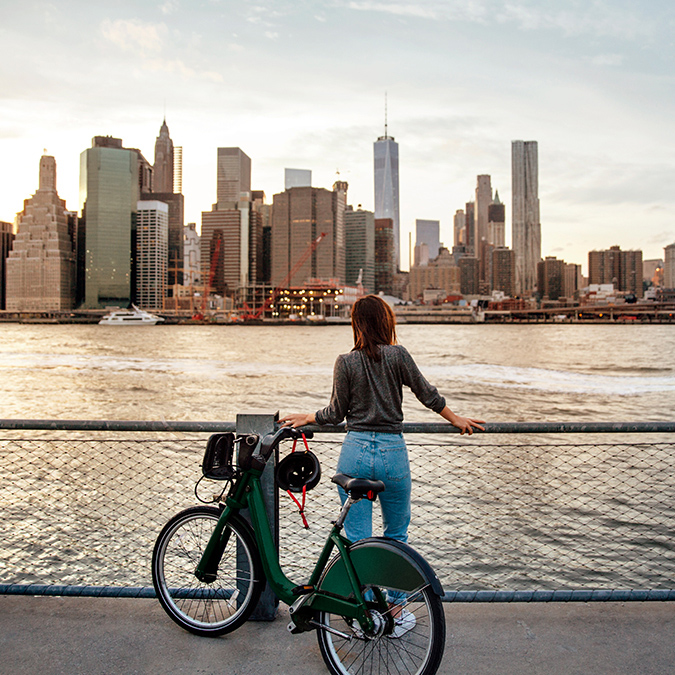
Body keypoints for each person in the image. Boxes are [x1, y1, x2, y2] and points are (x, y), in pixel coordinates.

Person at [280, 294, 484, 549]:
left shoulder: (345, 361)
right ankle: (397, 591)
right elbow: (427, 394)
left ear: (357, 325)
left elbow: (335, 414)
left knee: (358, 541)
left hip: (356, 451)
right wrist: (456, 419)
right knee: (397, 537)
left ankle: (363, 590)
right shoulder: (398, 355)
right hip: (392, 452)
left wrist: (308, 417)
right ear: (386, 322)